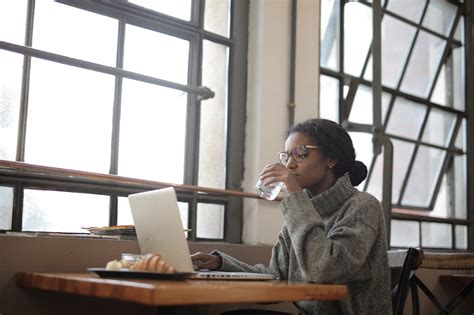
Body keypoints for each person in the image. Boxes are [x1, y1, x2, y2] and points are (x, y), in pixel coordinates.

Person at [191, 118, 392, 314]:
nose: (289, 165)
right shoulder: (301, 210)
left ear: (331, 159)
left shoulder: (363, 206)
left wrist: (296, 196)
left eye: (301, 154)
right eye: (286, 157)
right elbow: (275, 276)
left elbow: (325, 270)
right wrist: (221, 264)